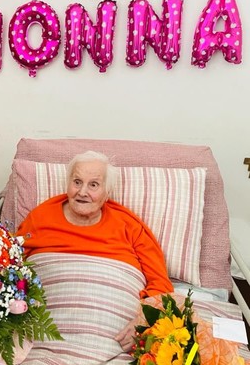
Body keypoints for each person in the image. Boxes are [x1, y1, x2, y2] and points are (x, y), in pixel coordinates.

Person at [16, 150, 173, 353]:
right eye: (77, 182)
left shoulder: (128, 225)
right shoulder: (40, 217)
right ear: (68, 184)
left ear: (107, 193)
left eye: (94, 185)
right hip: (44, 336)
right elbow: (9, 264)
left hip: (115, 343)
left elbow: (161, 283)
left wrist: (143, 320)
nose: (82, 192)